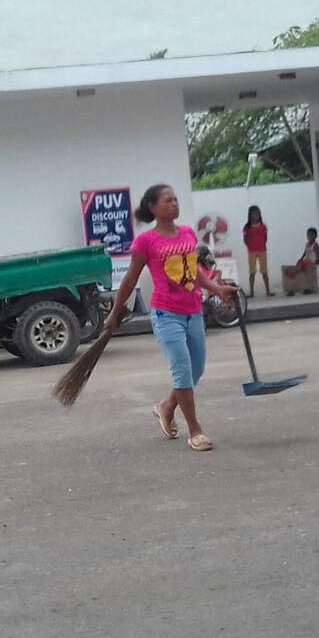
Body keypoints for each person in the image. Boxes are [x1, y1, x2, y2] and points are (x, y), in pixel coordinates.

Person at [102, 183, 240, 452]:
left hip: (194, 312)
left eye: (176, 199)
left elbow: (194, 272)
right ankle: (195, 430)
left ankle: (167, 406)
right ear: (153, 207)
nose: (175, 203)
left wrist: (216, 289)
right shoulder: (146, 241)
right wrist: (114, 314)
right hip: (166, 315)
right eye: (168, 200)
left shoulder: (188, 233)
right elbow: (130, 279)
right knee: (182, 370)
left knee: (196, 370)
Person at [243, 205, 273, 297]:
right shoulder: (247, 227)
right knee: (252, 272)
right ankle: (251, 292)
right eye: (254, 213)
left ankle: (268, 290)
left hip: (262, 250)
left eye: (257, 213)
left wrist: (260, 245)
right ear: (250, 215)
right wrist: (249, 246)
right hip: (251, 251)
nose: (256, 215)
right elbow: (245, 239)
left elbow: (265, 238)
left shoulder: (263, 226)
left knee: (264, 271)